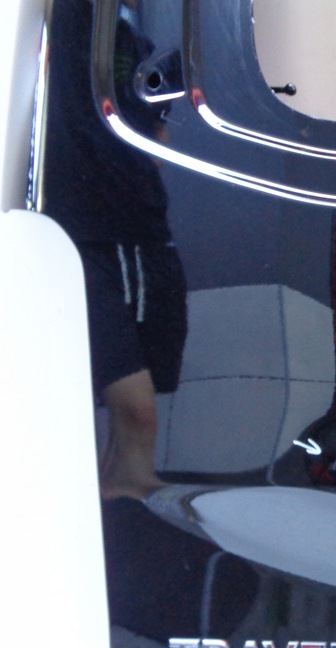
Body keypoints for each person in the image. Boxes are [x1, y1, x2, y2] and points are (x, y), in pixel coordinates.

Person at [43, 0, 187, 501]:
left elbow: (159, 137)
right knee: (133, 410)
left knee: (130, 420)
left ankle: (110, 504)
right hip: (83, 231)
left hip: (140, 229)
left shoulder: (139, 44)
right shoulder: (74, 19)